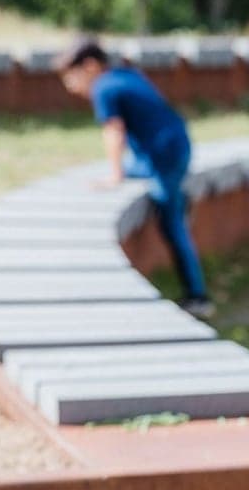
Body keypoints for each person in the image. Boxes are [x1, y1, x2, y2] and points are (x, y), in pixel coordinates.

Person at [54, 36, 214, 319]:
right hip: (175, 146)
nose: (70, 86)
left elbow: (114, 131)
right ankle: (177, 196)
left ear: (90, 66)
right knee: (142, 175)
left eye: (71, 77)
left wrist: (115, 176)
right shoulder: (125, 74)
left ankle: (198, 296)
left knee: (170, 221)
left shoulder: (104, 87)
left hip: (163, 157)